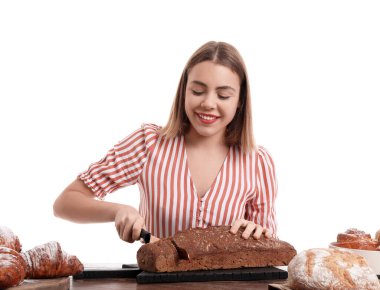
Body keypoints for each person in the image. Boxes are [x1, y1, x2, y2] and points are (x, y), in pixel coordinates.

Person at [53, 41, 278, 244]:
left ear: (240, 101)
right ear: (184, 92)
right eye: (198, 91)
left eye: (223, 95)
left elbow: (271, 249)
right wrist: (118, 211)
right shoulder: (149, 144)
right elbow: (65, 203)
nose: (208, 103)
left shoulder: (258, 162)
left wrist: (259, 234)